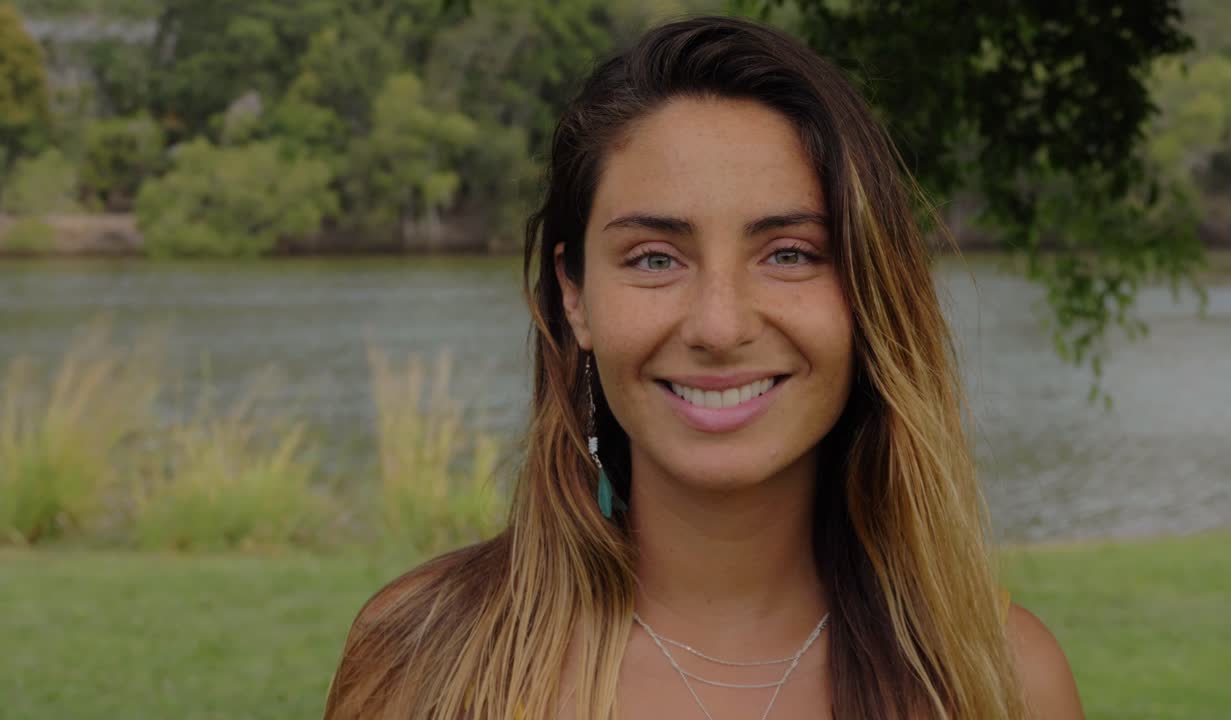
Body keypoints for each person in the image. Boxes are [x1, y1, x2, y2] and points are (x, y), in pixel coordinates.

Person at [324, 14, 1084, 720]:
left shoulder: (1000, 677)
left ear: (868, 293)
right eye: (654, 258)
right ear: (576, 296)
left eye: (789, 254)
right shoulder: (420, 656)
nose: (719, 326)